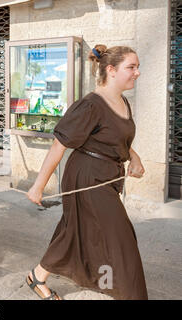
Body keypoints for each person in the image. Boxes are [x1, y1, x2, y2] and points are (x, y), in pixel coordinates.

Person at [25, 45, 148, 300]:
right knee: (121, 240)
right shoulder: (90, 105)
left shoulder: (123, 101)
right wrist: (38, 185)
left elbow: (117, 138)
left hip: (108, 175)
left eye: (137, 67)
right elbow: (58, 146)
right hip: (87, 176)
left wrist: (133, 157)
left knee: (74, 229)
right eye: (131, 67)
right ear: (111, 70)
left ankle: (37, 276)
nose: (137, 73)